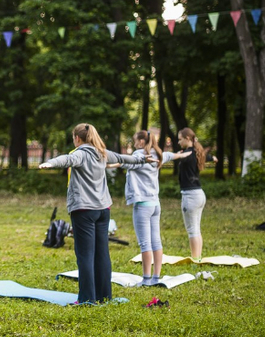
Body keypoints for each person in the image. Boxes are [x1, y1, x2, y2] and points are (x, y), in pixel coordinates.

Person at [39, 123, 152, 304]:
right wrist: (143, 160)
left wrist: (49, 163)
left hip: (84, 210)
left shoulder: (80, 153)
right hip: (103, 210)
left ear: (77, 138)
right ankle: (104, 296)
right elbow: (124, 158)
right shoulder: (102, 153)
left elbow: (65, 160)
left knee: (85, 255)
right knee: (102, 254)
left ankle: (86, 299)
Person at [113, 131, 191, 286]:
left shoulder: (138, 155)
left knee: (145, 243)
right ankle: (156, 277)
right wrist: (182, 155)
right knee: (156, 241)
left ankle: (146, 279)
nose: (134, 144)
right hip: (155, 204)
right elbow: (172, 156)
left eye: (135, 141)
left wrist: (106, 163)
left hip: (142, 205)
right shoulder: (158, 154)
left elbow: (122, 161)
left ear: (142, 141)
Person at [176, 127, 213, 261]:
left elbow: (178, 157)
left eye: (180, 139)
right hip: (199, 194)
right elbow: (210, 157)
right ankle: (198, 257)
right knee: (196, 229)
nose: (178, 142)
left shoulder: (187, 154)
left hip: (190, 196)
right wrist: (212, 157)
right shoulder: (197, 152)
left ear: (187, 139)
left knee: (192, 230)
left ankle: (195, 259)